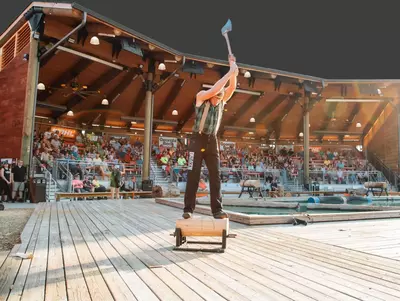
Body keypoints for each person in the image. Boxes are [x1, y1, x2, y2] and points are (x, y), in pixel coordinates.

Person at [182, 54, 238, 219]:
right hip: (196, 139)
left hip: (212, 140)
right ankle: (188, 209)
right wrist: (229, 73)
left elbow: (232, 88)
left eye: (220, 95)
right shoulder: (201, 97)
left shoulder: (221, 101)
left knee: (215, 175)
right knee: (193, 174)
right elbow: (214, 89)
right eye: (218, 94)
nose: (219, 96)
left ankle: (217, 210)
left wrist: (233, 68)